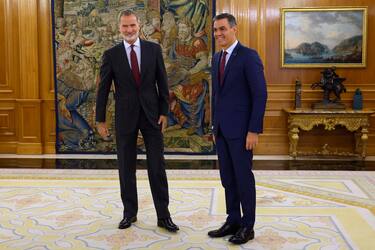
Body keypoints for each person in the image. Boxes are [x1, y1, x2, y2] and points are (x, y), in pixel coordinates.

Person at [95, 9, 179, 232]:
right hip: (125, 116)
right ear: (119, 28)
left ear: (139, 25)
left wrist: (164, 112)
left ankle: (164, 216)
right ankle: (129, 214)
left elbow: (163, 83)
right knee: (126, 166)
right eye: (125, 26)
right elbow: (102, 89)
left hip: (152, 115)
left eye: (132, 25)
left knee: (157, 166)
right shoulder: (111, 55)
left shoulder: (153, 49)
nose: (129, 30)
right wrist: (100, 120)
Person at [208, 13, 267, 244]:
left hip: (243, 132)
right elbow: (217, 96)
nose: (218, 34)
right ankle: (232, 220)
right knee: (228, 178)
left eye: (222, 29)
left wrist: (254, 130)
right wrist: (214, 127)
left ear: (234, 30)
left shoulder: (248, 57)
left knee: (243, 178)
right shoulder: (216, 58)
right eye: (215, 30)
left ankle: (247, 226)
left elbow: (260, 95)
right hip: (222, 130)